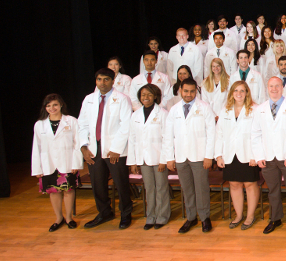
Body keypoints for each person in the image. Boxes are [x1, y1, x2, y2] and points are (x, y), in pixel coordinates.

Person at [77, 68, 133, 229]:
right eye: (99, 79)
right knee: (98, 184)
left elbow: (126, 125)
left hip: (115, 150)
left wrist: (116, 148)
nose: (102, 82)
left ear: (113, 81)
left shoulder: (122, 99)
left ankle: (125, 213)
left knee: (121, 183)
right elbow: (82, 124)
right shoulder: (89, 99)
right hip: (94, 148)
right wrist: (83, 147)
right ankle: (104, 212)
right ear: (96, 81)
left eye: (106, 79)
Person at [164, 78, 216, 233]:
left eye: (192, 91)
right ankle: (191, 217)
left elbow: (211, 133)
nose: (188, 94)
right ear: (180, 90)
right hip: (181, 156)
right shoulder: (174, 110)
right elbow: (168, 135)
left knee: (201, 189)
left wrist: (209, 156)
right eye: (185, 91)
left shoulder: (205, 107)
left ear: (196, 91)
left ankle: (205, 218)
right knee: (187, 189)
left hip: (199, 156)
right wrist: (169, 157)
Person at [254, 76, 286, 234]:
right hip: (268, 158)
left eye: (277, 86)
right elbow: (255, 134)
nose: (274, 89)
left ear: (282, 88)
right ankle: (275, 219)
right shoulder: (260, 109)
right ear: (267, 88)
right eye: (271, 86)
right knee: (273, 191)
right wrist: (259, 156)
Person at [32, 94, 82, 232]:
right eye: (48, 106)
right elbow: (36, 147)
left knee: (68, 190)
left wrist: (76, 164)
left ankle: (69, 218)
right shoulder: (39, 124)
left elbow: (77, 143)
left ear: (61, 105)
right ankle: (58, 218)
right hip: (48, 163)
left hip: (67, 162)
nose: (52, 108)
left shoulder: (71, 121)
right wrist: (37, 168)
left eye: (54, 105)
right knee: (53, 191)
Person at [215, 81, 261, 230]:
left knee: (249, 184)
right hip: (230, 154)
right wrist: (218, 156)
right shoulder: (225, 110)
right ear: (231, 93)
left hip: (249, 154)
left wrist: (256, 155)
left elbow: (260, 134)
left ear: (247, 92)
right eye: (236, 90)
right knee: (234, 184)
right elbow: (219, 134)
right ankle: (239, 215)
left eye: (242, 90)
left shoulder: (255, 109)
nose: (239, 93)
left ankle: (250, 216)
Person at [127, 83, 171, 230]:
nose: (145, 97)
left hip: (159, 158)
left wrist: (164, 159)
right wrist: (133, 162)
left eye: (149, 95)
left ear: (155, 96)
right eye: (143, 95)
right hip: (143, 158)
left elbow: (167, 138)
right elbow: (132, 139)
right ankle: (150, 216)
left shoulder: (163, 114)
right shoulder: (136, 115)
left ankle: (162, 216)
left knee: (161, 188)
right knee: (149, 188)